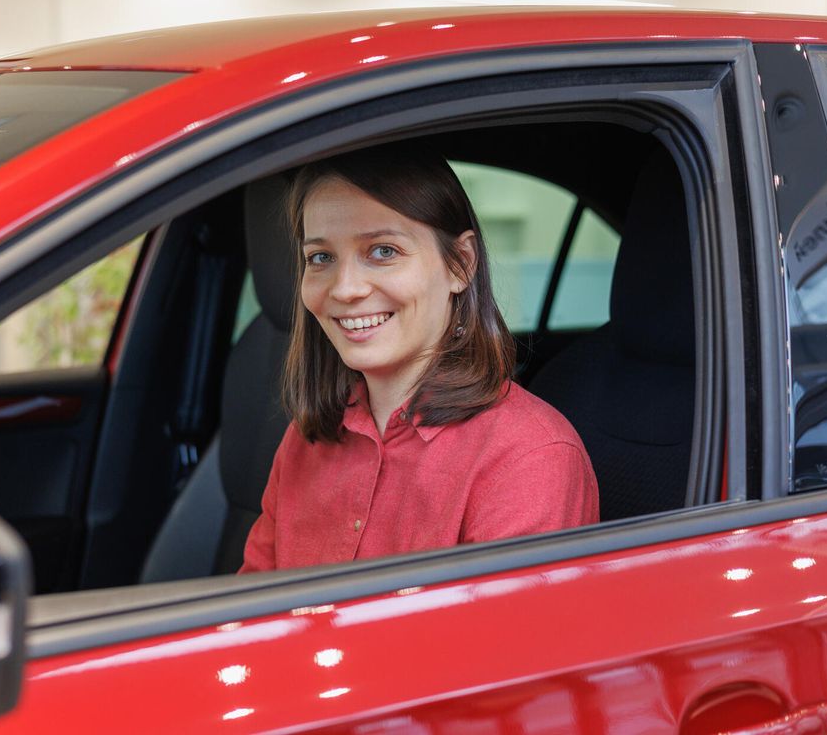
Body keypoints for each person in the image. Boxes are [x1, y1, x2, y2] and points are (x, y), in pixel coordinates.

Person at [239, 144, 598, 573]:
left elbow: (504, 639)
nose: (345, 289)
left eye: (383, 251)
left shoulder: (528, 458)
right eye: (321, 258)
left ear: (460, 265)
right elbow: (253, 616)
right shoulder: (306, 440)